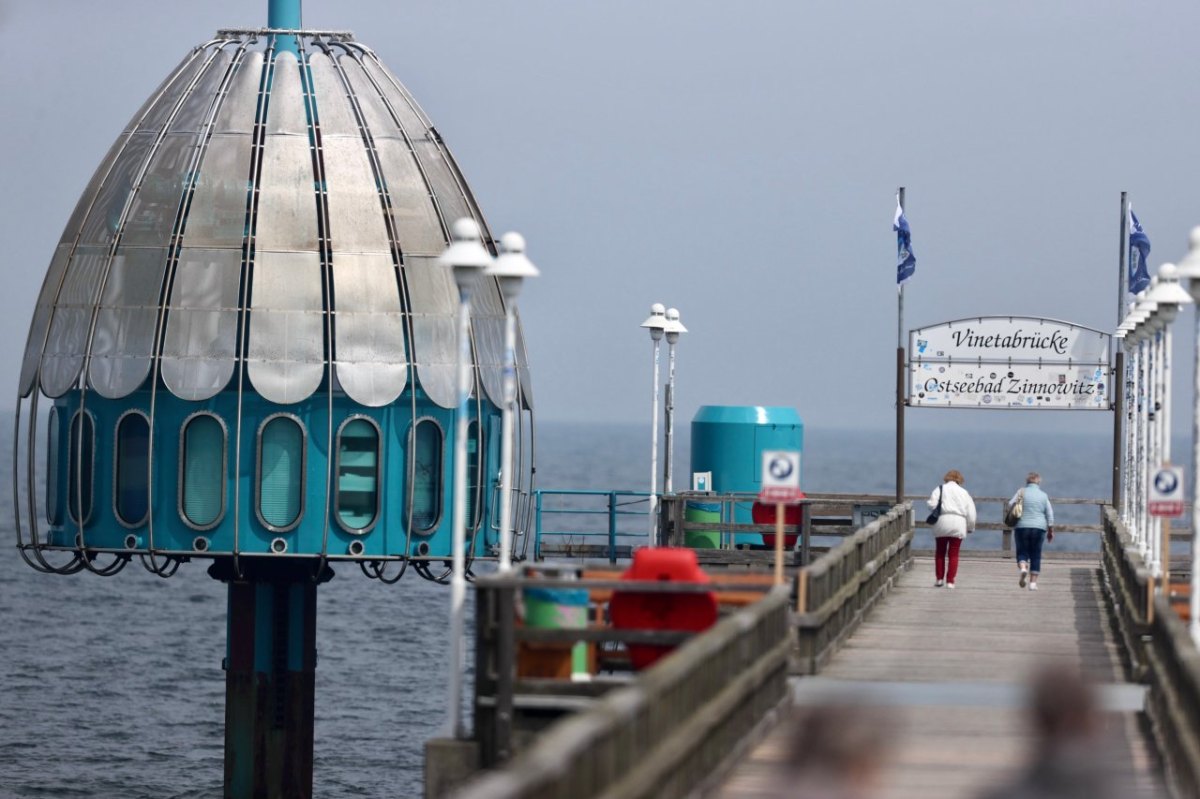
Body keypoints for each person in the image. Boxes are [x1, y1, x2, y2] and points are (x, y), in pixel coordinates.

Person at [927, 469, 977, 589]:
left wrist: (939, 508)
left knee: (940, 552)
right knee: (954, 554)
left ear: (946, 478)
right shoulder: (964, 492)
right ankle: (950, 581)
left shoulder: (939, 489)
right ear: (959, 480)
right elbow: (971, 512)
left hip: (942, 521)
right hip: (958, 523)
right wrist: (970, 527)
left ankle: (939, 579)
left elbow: (931, 504)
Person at [1009, 472, 1054, 591]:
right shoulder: (1043, 495)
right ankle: (1033, 583)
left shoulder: (1021, 492)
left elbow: (1010, 504)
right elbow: (1049, 514)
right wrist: (1050, 530)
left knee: (1022, 551)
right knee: (1036, 554)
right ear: (1039, 482)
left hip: (1021, 526)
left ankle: (1023, 567)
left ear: (1027, 481)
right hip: (1039, 528)